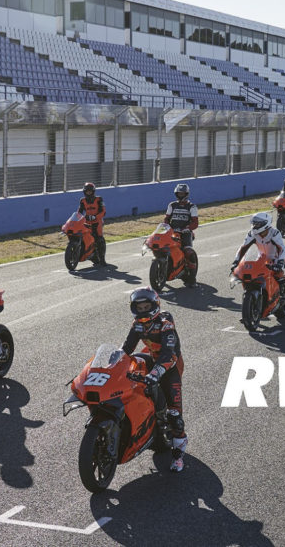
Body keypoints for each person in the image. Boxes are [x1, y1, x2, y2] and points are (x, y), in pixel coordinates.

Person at [121, 287, 187, 472]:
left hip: (171, 365)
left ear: (155, 305)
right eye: (139, 307)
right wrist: (112, 362)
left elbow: (169, 354)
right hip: (152, 360)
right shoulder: (137, 325)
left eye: (146, 306)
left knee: (175, 414)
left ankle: (178, 456)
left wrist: (156, 374)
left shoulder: (165, 323)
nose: (142, 310)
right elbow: (126, 348)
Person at [231, 212, 285, 299]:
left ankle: (284, 295)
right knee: (252, 275)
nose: (254, 225)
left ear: (265, 223)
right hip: (261, 258)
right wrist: (236, 261)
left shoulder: (274, 233)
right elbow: (243, 248)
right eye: (254, 223)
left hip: (277, 258)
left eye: (257, 223)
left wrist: (280, 263)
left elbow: (282, 249)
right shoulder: (252, 233)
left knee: (279, 276)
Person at [164, 183, 199, 286]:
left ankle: (192, 279)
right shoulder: (172, 205)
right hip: (172, 232)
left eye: (182, 193)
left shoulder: (192, 206)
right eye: (179, 193)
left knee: (189, 253)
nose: (180, 194)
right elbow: (166, 219)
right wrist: (166, 227)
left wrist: (187, 229)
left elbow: (195, 223)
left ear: (186, 193)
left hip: (186, 233)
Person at [78, 182, 107, 266]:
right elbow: (79, 212)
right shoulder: (82, 201)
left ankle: (102, 259)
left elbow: (103, 211)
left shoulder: (99, 199)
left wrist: (95, 217)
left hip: (97, 222)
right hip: (86, 223)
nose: (88, 193)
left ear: (93, 192)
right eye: (87, 191)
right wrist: (78, 219)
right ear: (84, 192)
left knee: (99, 239)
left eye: (90, 191)